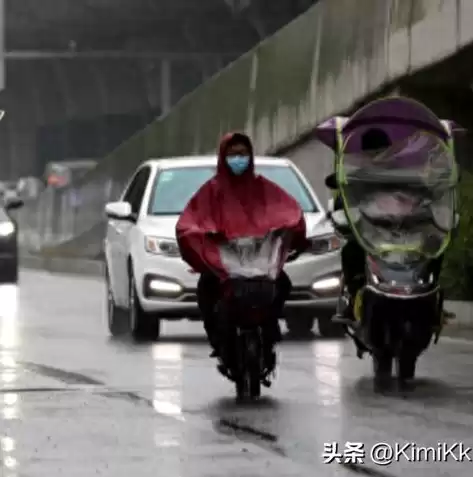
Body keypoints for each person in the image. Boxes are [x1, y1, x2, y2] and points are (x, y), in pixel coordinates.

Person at [176, 132, 309, 376]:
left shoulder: (263, 189)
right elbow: (191, 221)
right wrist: (203, 238)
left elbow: (288, 210)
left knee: (283, 284)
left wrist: (291, 231)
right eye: (233, 154)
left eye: (243, 154)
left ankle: (269, 332)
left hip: (260, 263)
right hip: (225, 265)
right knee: (205, 290)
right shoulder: (211, 192)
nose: (239, 159)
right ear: (223, 158)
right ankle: (218, 340)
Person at [325, 127, 454, 320]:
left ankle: (432, 295)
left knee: (434, 246)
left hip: (404, 233)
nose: (377, 155)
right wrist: (344, 213)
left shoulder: (402, 174)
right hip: (371, 235)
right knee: (351, 250)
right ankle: (353, 297)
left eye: (381, 150)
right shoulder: (355, 176)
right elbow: (342, 202)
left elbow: (422, 195)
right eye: (373, 151)